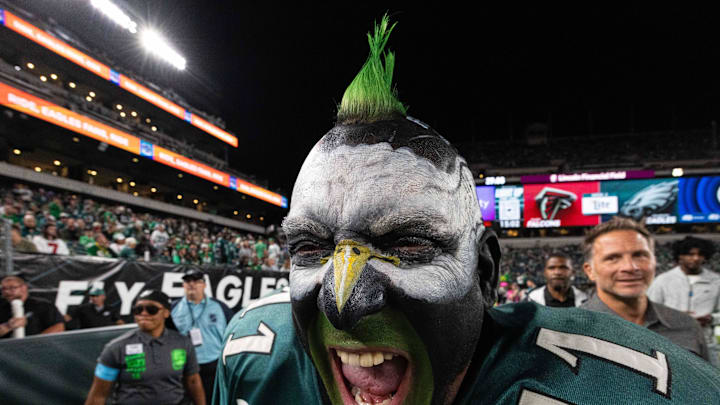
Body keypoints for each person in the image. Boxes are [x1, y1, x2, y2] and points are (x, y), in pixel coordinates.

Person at [213, 16, 720, 405]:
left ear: (484, 270)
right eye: (309, 248)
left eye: (407, 244)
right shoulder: (257, 354)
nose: (342, 300)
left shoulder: (622, 388)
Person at [580, 218, 709, 361]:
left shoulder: (687, 326)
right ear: (590, 271)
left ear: (654, 262)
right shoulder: (569, 330)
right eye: (613, 258)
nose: (630, 267)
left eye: (639, 255)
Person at [85, 289, 205, 405]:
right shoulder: (115, 348)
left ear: (166, 313)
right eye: (138, 309)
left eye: (151, 309)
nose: (143, 313)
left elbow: (193, 381)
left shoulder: (183, 343)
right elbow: (98, 395)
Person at [648, 236, 720, 366]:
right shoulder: (663, 280)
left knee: (712, 382)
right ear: (680, 256)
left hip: (706, 342)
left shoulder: (716, 281)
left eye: (700, 254)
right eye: (690, 254)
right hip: (671, 343)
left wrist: (711, 318)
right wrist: (674, 316)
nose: (696, 258)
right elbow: (648, 310)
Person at [171, 270, 233, 404]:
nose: (191, 284)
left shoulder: (220, 307)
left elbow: (232, 335)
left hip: (214, 366)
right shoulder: (173, 309)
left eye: (196, 281)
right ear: (183, 285)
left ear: (204, 285)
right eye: (188, 281)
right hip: (183, 368)